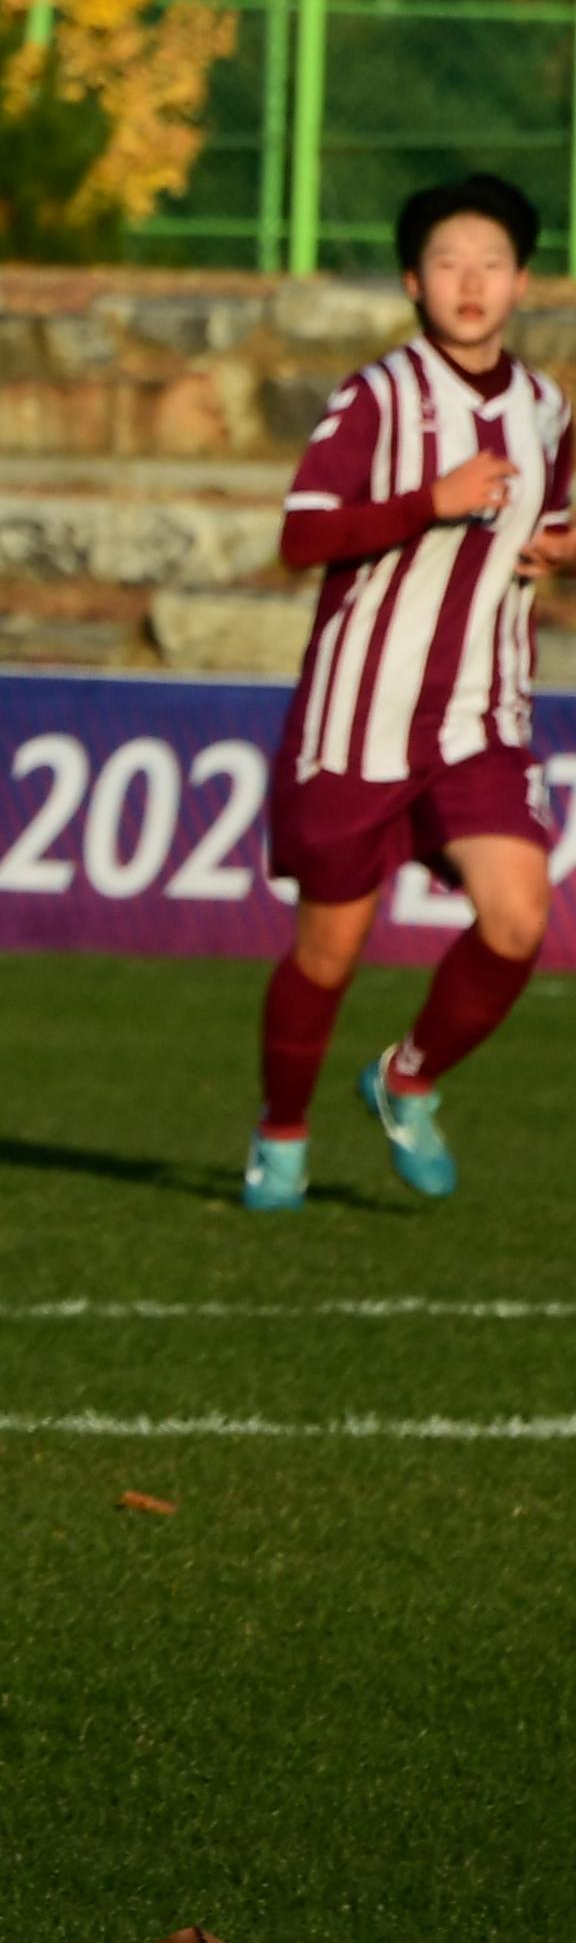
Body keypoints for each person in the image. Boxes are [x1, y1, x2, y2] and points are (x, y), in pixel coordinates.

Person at [250, 172, 576, 1211]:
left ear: (522, 280)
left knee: (519, 919)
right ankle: (283, 1133)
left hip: (482, 714)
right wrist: (427, 502)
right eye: (446, 263)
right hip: (360, 717)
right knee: (331, 948)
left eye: (489, 262)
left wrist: (560, 553)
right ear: (411, 281)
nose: (469, 281)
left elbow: (553, 526)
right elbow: (304, 535)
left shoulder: (544, 407)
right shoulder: (375, 396)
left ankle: (405, 1078)